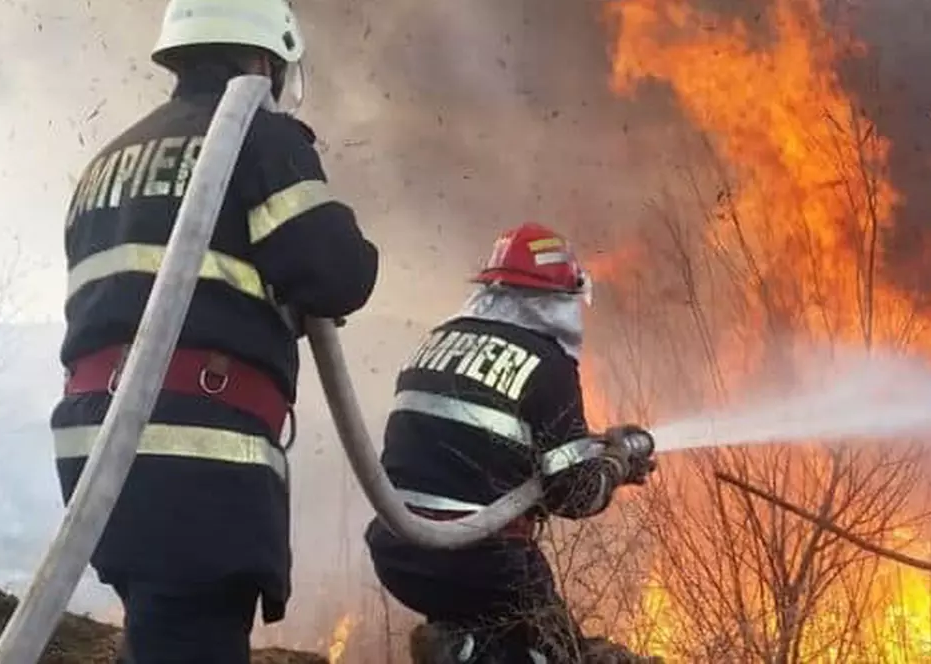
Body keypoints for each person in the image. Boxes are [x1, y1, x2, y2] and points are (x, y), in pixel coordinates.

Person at [53, 0, 379, 661]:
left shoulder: (109, 160)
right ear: (266, 57)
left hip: (94, 443)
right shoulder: (259, 138)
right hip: (193, 448)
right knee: (191, 636)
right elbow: (340, 274)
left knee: (163, 628)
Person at [366, 222, 661, 663]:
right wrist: (618, 464)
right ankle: (468, 651)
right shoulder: (548, 364)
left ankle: (460, 646)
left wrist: (593, 450)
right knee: (556, 654)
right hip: (481, 561)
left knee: (512, 635)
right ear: (554, 301)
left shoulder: (436, 342)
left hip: (398, 551)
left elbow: (481, 452)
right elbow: (574, 495)